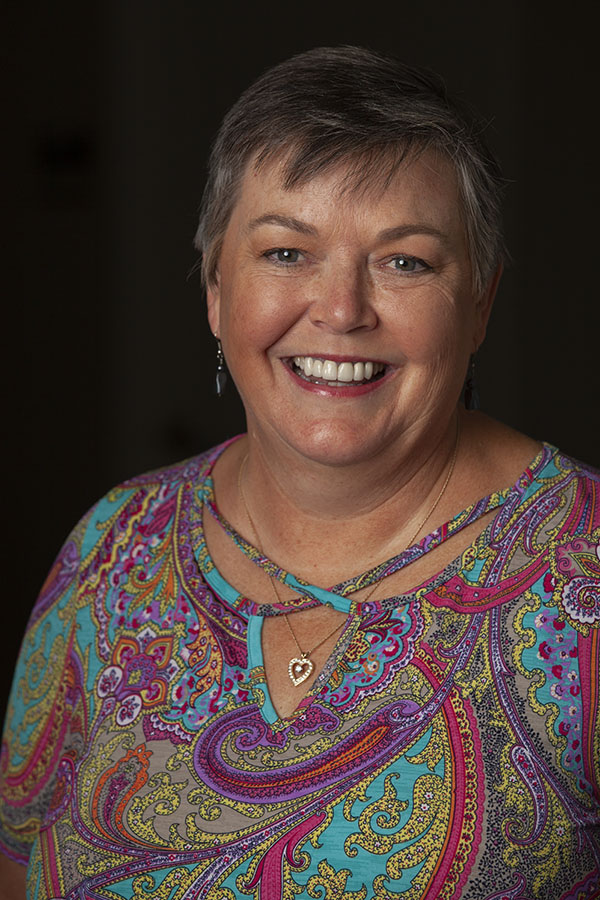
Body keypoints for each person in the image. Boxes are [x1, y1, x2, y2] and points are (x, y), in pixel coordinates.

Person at [0, 45, 598, 900]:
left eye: (406, 261)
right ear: (215, 289)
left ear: (480, 305)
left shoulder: (586, 583)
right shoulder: (108, 551)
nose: (343, 309)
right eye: (286, 252)